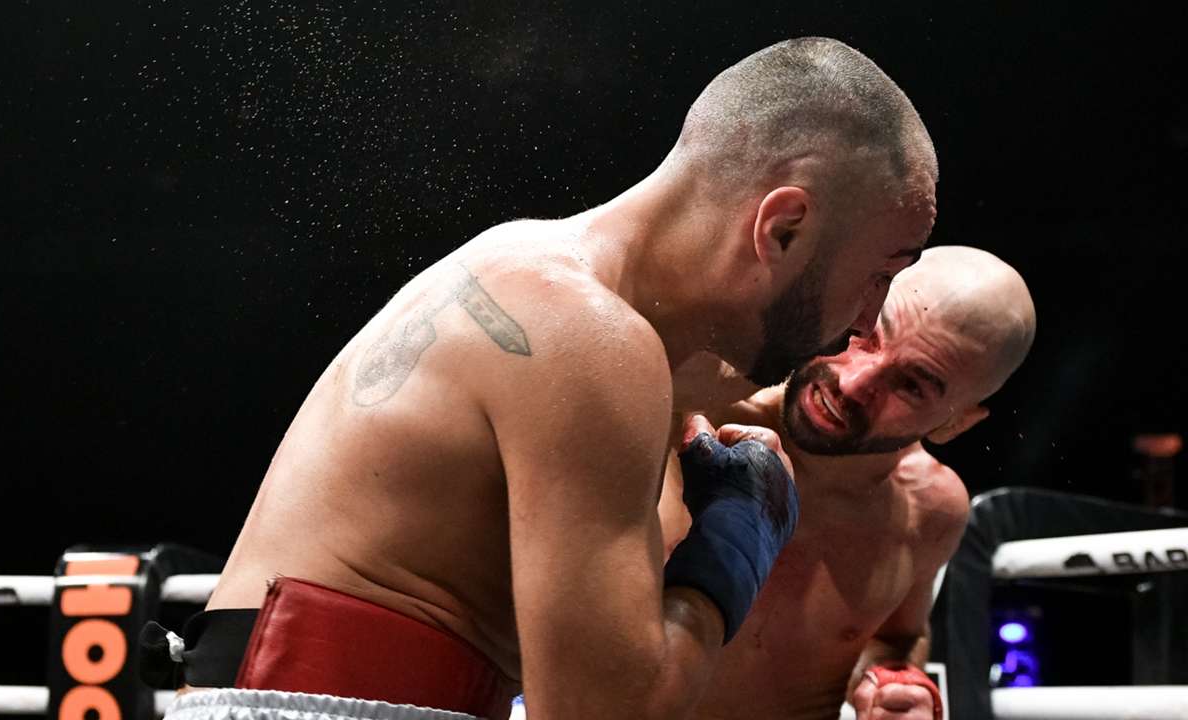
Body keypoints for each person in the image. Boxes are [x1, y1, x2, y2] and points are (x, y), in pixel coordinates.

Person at [158, 37, 938, 720]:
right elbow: (608, 713)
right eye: (881, 273)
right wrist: (735, 544)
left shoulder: (557, 291)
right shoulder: (586, 335)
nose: (868, 318)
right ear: (784, 227)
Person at [659, 246, 1036, 720]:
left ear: (955, 422)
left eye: (913, 384)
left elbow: (895, 639)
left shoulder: (929, 510)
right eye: (867, 335)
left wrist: (896, 686)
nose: (853, 384)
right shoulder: (682, 407)